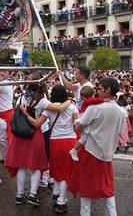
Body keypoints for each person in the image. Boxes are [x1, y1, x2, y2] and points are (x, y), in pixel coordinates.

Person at [7, 72, 72, 207]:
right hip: (34, 135)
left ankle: (19, 195)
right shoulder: (42, 101)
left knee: (22, 166)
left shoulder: (21, 98)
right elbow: (59, 108)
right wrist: (70, 100)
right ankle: (32, 194)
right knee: (36, 166)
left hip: (19, 136)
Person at [69, 78, 126, 216]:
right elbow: (118, 132)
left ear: (108, 90)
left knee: (86, 192)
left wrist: (77, 122)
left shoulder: (94, 108)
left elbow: (77, 127)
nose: (98, 92)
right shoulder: (121, 112)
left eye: (100, 89)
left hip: (90, 152)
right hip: (108, 154)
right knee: (107, 190)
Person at [41, 85, 78, 214]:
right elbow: (76, 126)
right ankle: (61, 200)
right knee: (66, 171)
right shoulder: (72, 107)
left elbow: (39, 122)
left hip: (54, 140)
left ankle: (56, 192)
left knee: (56, 167)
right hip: (69, 140)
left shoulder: (49, 108)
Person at [69, 86, 104, 161]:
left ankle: (76, 150)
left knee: (85, 137)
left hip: (83, 119)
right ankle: (74, 150)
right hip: (82, 120)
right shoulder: (87, 101)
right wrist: (105, 100)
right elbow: (95, 101)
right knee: (84, 138)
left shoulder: (84, 101)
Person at [0, 71, 14, 162]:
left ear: (9, 74)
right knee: (3, 137)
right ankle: (5, 155)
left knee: (1, 138)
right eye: (1, 71)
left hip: (3, 116)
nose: (2, 73)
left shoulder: (4, 83)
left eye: (5, 72)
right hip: (2, 115)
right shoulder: (6, 83)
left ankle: (5, 157)